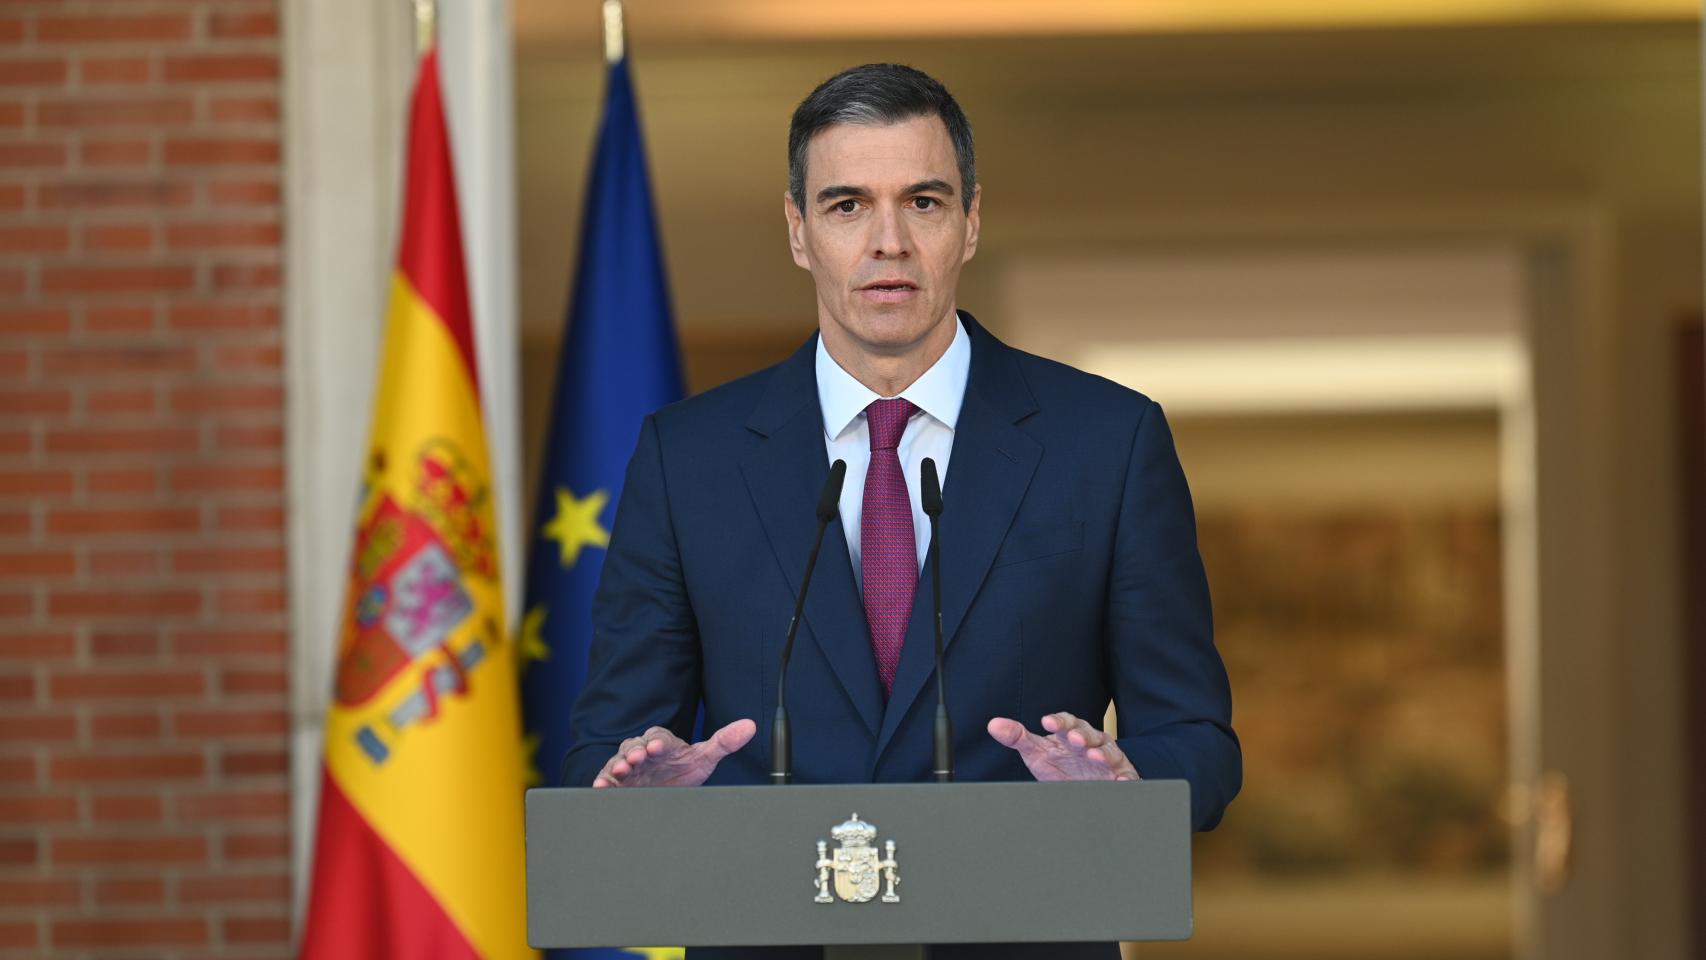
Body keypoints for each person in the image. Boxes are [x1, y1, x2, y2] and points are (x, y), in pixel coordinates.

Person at [563, 63, 1240, 960]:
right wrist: (637, 786)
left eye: (922, 202)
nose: (889, 241)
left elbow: (1200, 745)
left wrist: (1128, 780)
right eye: (847, 206)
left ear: (970, 223)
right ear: (799, 232)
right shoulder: (689, 458)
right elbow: (600, 749)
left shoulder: (1107, 442)